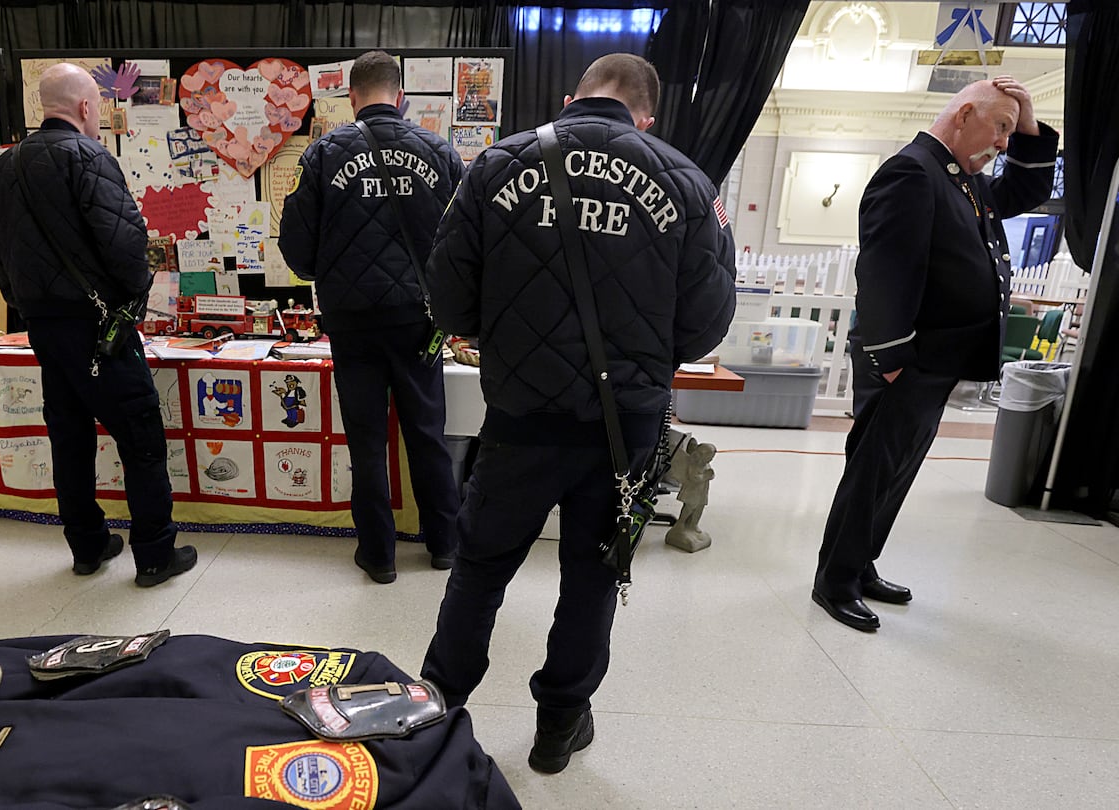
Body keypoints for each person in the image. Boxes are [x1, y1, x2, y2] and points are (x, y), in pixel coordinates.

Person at [419, 53, 736, 773]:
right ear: (646, 116)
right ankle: (558, 727)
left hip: (519, 421)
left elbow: (448, 303)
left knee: (480, 566)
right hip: (623, 432)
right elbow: (704, 328)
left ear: (572, 99)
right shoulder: (687, 182)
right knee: (593, 577)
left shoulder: (495, 166)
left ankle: (437, 704)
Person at [812, 76, 1059, 632]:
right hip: (907, 361)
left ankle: (860, 563)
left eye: (1006, 133)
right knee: (872, 472)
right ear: (964, 113)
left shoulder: (961, 180)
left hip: (936, 361)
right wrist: (893, 360)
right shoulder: (912, 172)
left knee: (896, 472)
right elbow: (884, 275)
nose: (1001, 143)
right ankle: (835, 581)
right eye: (998, 127)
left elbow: (1026, 193)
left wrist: (1026, 120)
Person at [0, 63, 196, 588]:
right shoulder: (88, 156)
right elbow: (126, 243)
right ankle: (153, 554)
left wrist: (25, 304)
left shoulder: (8, 163)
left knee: (69, 436)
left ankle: (87, 546)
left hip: (43, 325)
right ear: (86, 107)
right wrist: (131, 306)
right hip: (96, 327)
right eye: (99, 107)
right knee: (140, 434)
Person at [279, 50, 466, 584]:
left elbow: (297, 249)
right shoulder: (440, 152)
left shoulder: (322, 154)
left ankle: (378, 556)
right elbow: (462, 246)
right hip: (419, 319)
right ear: (401, 95)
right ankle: (443, 546)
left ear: (352, 97)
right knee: (427, 433)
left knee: (366, 440)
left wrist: (333, 271)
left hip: (352, 320)